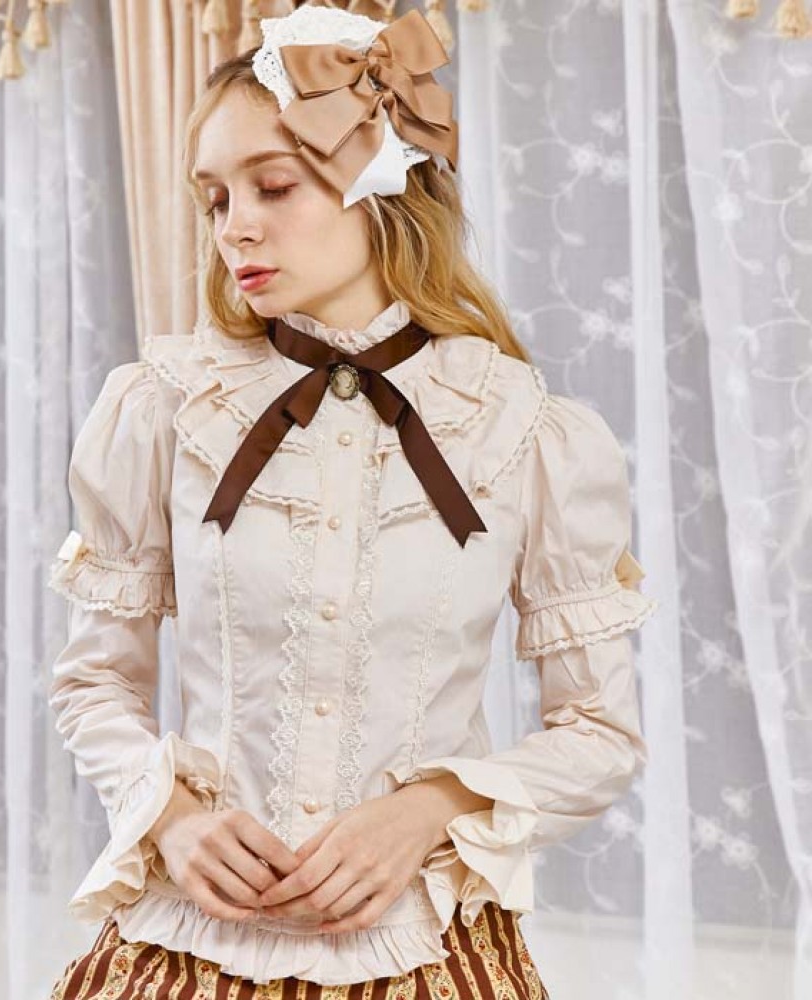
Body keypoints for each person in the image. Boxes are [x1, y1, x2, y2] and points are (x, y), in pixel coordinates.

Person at [45, 5, 659, 999]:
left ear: (381, 184)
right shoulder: (163, 410)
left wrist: (433, 806)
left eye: (273, 185)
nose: (235, 226)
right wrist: (172, 819)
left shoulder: (524, 431)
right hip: (185, 949)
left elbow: (599, 729)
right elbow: (94, 684)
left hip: (426, 950)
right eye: (215, 199)